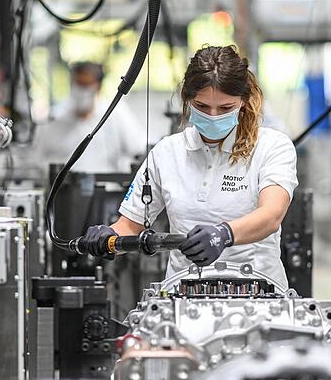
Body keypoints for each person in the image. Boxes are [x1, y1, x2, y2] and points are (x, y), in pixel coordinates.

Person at [80, 45, 298, 288]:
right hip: (183, 295)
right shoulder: (167, 152)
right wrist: (108, 237)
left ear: (243, 102)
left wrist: (223, 235)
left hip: (260, 292)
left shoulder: (272, 146)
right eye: (203, 107)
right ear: (187, 99)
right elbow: (131, 224)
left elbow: (271, 215)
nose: (213, 116)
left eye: (225, 108)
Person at [36, 61, 144, 174]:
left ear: (98, 86)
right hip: (65, 188)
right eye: (79, 83)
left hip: (108, 187)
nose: (82, 91)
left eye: (87, 84)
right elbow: (39, 158)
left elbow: (138, 150)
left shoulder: (116, 114)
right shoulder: (55, 118)